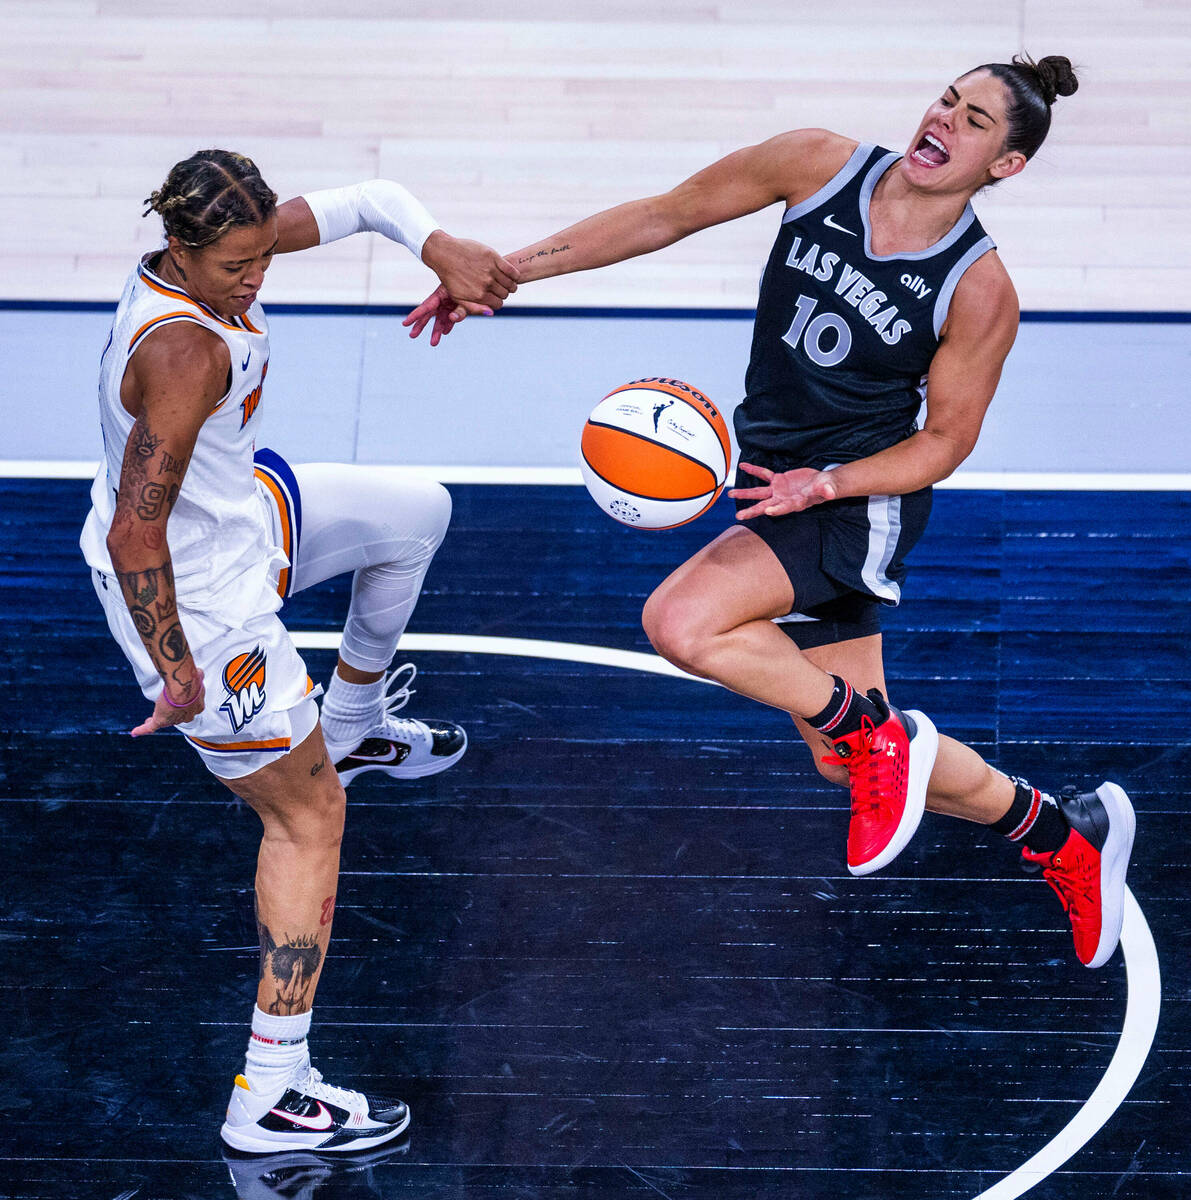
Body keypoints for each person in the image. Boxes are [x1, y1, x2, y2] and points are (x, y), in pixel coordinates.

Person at [407, 55, 1136, 971]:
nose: (944, 120)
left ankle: (883, 741)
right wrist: (504, 273)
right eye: (946, 99)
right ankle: (1066, 835)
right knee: (838, 763)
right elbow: (660, 215)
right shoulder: (815, 164)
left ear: (1005, 166)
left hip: (852, 502)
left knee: (680, 621)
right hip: (771, 480)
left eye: (976, 121)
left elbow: (944, 443)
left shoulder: (978, 290)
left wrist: (822, 485)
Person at [79, 149, 520, 1154]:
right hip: (195, 606)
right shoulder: (184, 351)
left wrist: (438, 245)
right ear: (183, 248)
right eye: (236, 265)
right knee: (310, 816)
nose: (255, 278)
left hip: (244, 526)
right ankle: (270, 1091)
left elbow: (369, 198)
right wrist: (176, 663)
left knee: (417, 516)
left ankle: (355, 721)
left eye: (260, 254)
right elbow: (133, 538)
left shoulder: (226, 246)